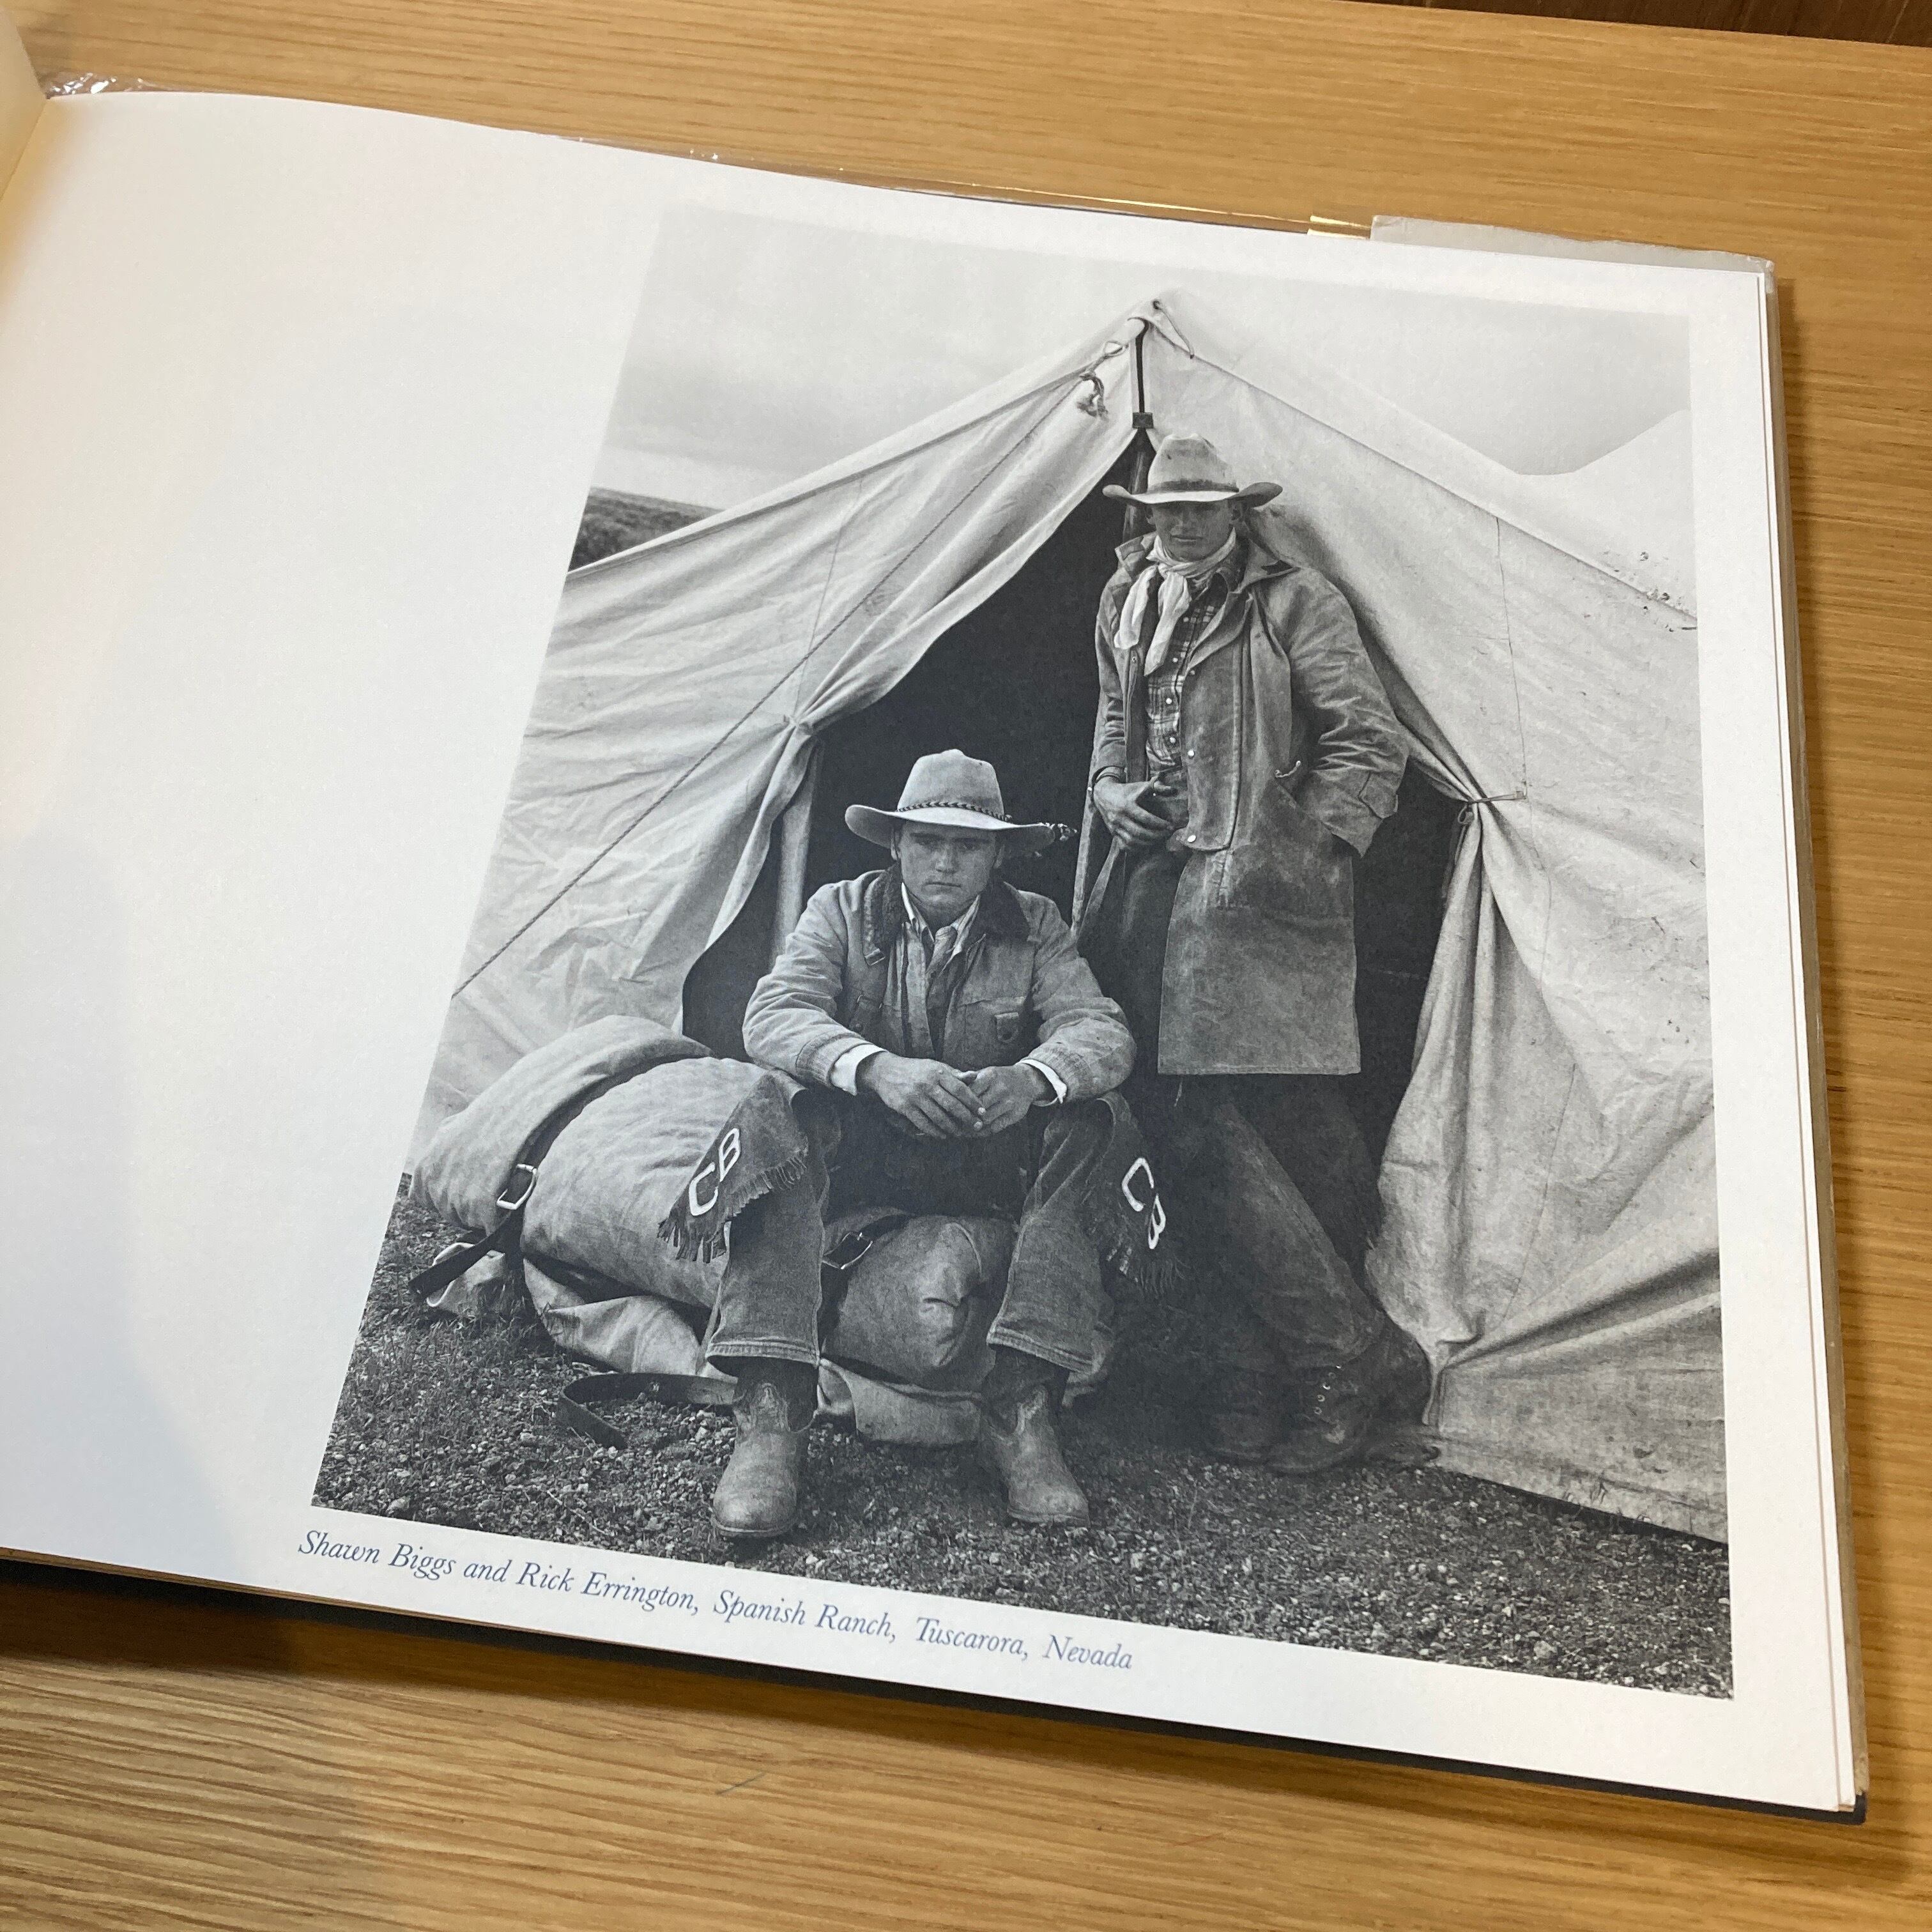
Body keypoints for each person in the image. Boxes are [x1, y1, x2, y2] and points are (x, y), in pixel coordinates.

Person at [1078, 433, 1430, 1474]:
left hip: (1259, 904)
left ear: (1235, 512)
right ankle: (1293, 1364)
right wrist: (1109, 791)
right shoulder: (1127, 597)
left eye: (1201, 508)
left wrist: (1293, 847)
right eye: (1165, 510)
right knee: (1192, 1126)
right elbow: (1113, 716)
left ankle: (1324, 1364)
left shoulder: (1293, 603)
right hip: (1152, 892)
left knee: (1253, 1127)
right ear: (1145, 514)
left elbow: (1368, 743)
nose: (1182, 526)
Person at [709, 749, 1138, 1540]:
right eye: (928, 841)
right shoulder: (841, 909)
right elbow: (771, 1014)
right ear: (896, 845)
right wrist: (876, 1069)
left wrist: (1032, 1079)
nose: (945, 862)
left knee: (1097, 1116)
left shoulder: (1036, 924)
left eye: (968, 845)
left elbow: (1100, 1031)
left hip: (984, 1160)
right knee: (776, 1100)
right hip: (863, 1157)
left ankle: (1021, 1404)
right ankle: (772, 1406)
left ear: (997, 856)